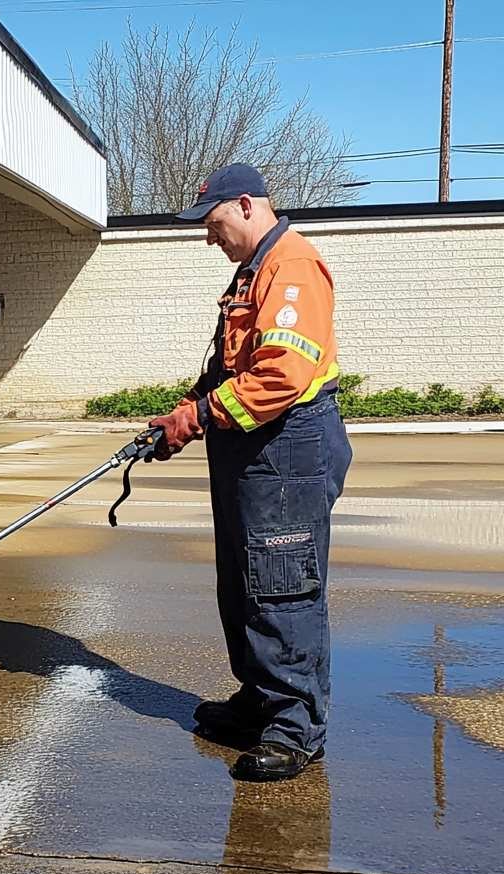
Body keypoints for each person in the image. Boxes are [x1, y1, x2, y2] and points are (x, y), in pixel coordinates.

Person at [147, 163, 352, 782]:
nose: (209, 238)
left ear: (243, 205)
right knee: (242, 579)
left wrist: (203, 415)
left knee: (280, 585)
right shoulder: (252, 272)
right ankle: (261, 702)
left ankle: (295, 729)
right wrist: (185, 412)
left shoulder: (290, 269)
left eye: (211, 225)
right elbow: (232, 367)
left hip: (287, 450)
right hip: (252, 448)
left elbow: (283, 375)